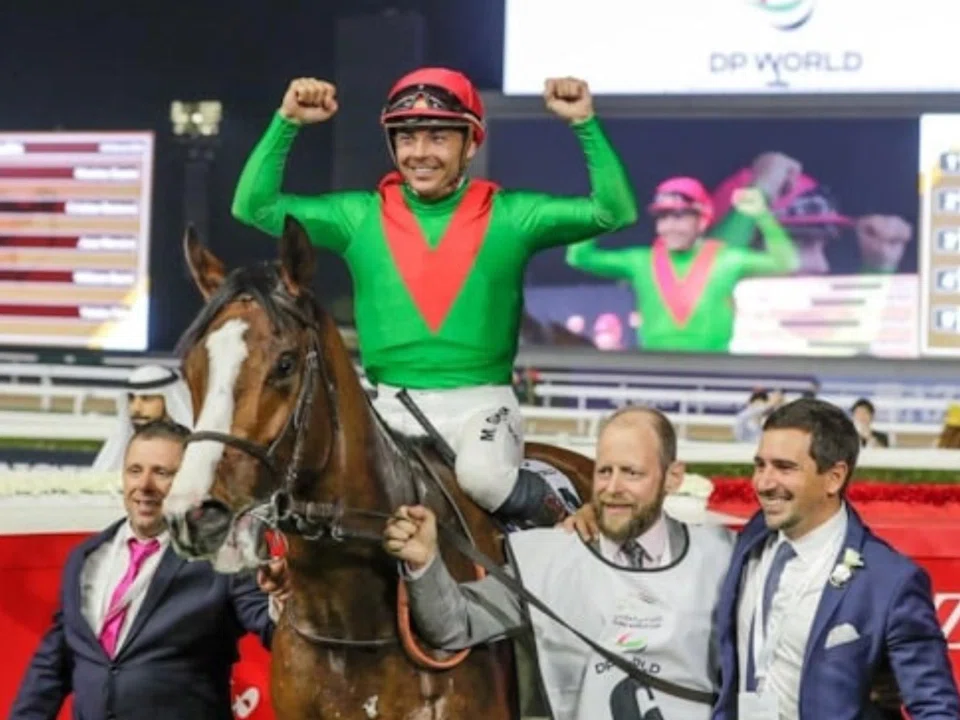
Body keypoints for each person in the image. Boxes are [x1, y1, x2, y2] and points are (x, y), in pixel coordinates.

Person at [231, 69, 638, 527]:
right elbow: (253, 207)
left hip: (481, 405)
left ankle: (562, 515)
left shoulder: (512, 216)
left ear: (471, 143)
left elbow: (613, 210)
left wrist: (584, 124)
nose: (419, 153)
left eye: (438, 137)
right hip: (386, 404)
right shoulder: (358, 216)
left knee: (484, 478)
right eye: (406, 138)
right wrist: (287, 122)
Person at [382, 406, 735, 720]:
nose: (613, 487)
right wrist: (423, 563)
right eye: (604, 471)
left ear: (672, 477)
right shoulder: (550, 559)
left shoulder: (724, 557)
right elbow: (455, 625)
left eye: (631, 473)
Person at [11, 419, 288, 720]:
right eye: (135, 470)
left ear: (188, 481)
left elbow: (276, 631)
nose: (144, 486)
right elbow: (53, 664)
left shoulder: (224, 555)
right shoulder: (85, 557)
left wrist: (284, 596)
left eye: (162, 473)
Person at [711, 398, 959, 719]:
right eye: (760, 465)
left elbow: (936, 708)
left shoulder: (889, 580)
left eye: (785, 468)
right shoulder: (749, 540)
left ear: (834, 477)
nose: (764, 483)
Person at [566, 178, 798, 352]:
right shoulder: (640, 261)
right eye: (663, 218)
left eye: (679, 217)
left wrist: (762, 215)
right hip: (655, 373)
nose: (670, 227)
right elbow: (579, 257)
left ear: (702, 221)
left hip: (716, 374)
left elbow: (787, 262)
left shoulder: (726, 259)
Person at [92, 364, 194, 472]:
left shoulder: (191, 452)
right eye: (131, 398)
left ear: (170, 402)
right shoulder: (120, 449)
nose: (135, 408)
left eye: (147, 398)